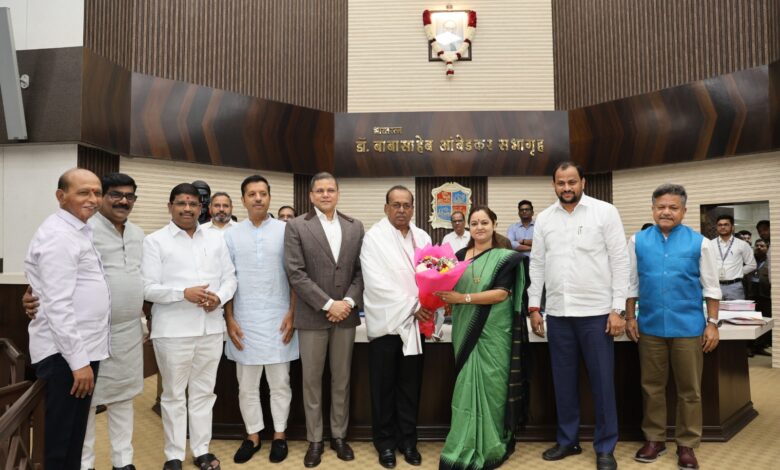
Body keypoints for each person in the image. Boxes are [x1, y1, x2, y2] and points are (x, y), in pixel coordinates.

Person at [23, 172, 145, 470]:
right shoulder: (60, 236)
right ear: (61, 196)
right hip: (66, 354)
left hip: (83, 348)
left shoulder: (80, 229)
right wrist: (78, 363)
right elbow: (58, 305)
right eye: (83, 193)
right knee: (62, 442)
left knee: (71, 439)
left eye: (95, 193)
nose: (92, 199)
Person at [528, 162, 629, 470]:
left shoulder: (605, 212)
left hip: (596, 314)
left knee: (602, 383)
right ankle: (568, 440)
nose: (567, 188)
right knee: (563, 383)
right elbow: (537, 264)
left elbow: (620, 261)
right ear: (554, 185)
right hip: (558, 314)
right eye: (561, 183)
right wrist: (534, 306)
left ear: (583, 181)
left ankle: (605, 447)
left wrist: (618, 308)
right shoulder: (544, 218)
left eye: (572, 181)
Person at [625, 183, 722, 470]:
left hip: (688, 327)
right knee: (651, 387)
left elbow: (711, 287)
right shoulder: (638, 241)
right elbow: (631, 283)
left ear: (684, 211)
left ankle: (687, 444)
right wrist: (630, 317)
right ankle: (654, 439)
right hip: (650, 326)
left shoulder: (699, 243)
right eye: (661, 207)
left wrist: (712, 323)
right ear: (653, 209)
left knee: (689, 390)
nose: (666, 212)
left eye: (673, 207)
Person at [142, 183, 237, 470]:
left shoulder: (216, 239)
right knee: (173, 395)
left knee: (204, 393)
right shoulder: (155, 241)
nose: (187, 208)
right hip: (173, 331)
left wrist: (218, 297)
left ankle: (201, 450)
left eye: (193, 204)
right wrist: (183, 293)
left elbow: (230, 278)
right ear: (170, 206)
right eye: (181, 203)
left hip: (210, 328)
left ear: (201, 208)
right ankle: (173, 455)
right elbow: (147, 287)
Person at [435, 205, 528, 470]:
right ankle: (463, 442)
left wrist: (462, 298)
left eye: (484, 222)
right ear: (468, 227)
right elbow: (442, 284)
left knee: (493, 387)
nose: (479, 227)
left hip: (495, 332)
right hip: (466, 330)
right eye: (474, 223)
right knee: (465, 386)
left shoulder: (505, 258)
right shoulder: (458, 257)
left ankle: (492, 443)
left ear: (494, 225)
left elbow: (501, 294)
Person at [284, 172, 365, 468]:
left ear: (338, 193)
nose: (326, 194)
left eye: (331, 190)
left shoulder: (355, 226)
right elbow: (295, 273)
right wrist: (329, 304)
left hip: (346, 316)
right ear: (311, 195)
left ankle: (339, 436)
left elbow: (361, 271)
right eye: (320, 190)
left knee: (342, 379)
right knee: (311, 380)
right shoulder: (296, 226)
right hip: (312, 316)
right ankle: (315, 439)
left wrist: (348, 303)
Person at [224, 175, 298, 464]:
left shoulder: (286, 231)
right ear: (243, 199)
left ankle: (279, 435)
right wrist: (229, 318)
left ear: (269, 197)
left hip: (280, 318)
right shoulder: (231, 234)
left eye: (263, 193)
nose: (258, 198)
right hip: (244, 320)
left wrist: (292, 313)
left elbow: (295, 276)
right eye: (252, 194)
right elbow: (227, 279)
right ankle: (253, 435)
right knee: (247, 385)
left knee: (280, 383)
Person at [360, 186, 432, 468]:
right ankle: (386, 444)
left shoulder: (423, 237)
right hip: (387, 325)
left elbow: (431, 275)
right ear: (386, 207)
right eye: (396, 205)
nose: (401, 210)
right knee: (384, 389)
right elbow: (376, 283)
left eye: (406, 205)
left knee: (410, 388)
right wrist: (413, 305)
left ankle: (408, 441)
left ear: (413, 208)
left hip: (415, 326)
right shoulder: (373, 238)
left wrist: (429, 303)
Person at [710, 214, 755, 300]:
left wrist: (738, 272)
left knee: (736, 309)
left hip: (734, 286)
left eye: (726, 224)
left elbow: (752, 265)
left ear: (732, 227)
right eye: (720, 225)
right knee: (714, 309)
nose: (723, 227)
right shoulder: (710, 244)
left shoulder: (742, 244)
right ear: (717, 227)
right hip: (715, 286)